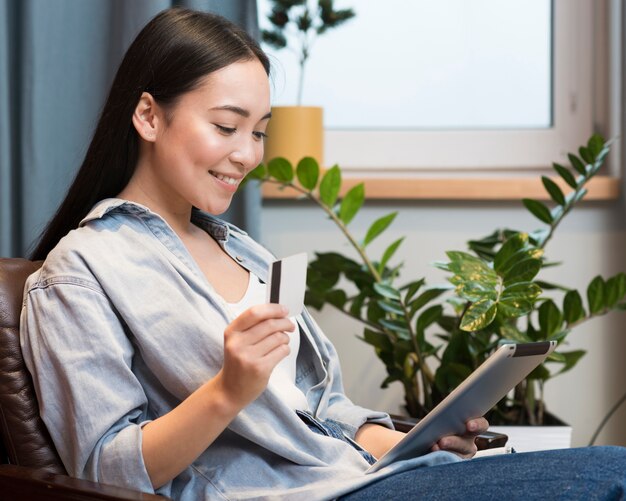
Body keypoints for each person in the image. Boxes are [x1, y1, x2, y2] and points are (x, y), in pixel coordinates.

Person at [19, 7, 626, 501]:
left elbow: (325, 416)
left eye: (258, 131)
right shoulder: (80, 273)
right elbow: (103, 472)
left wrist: (417, 442)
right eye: (227, 127)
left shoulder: (244, 253)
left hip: (364, 476)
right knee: (611, 474)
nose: (248, 155)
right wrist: (227, 390)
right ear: (149, 116)